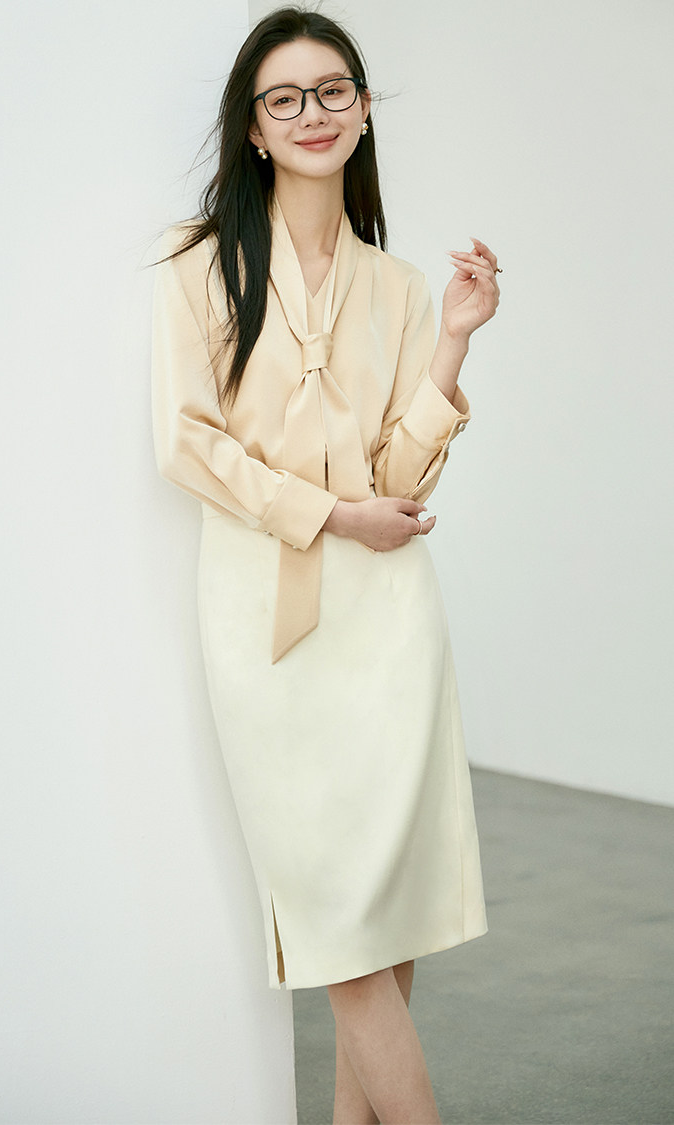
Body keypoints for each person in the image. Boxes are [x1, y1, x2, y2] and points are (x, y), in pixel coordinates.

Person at [152, 7, 500, 1122]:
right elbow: (187, 444)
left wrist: (453, 340)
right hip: (266, 621)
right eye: (285, 97)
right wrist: (330, 516)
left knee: (385, 918)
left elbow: (400, 473)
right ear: (253, 127)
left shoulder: (398, 286)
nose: (313, 112)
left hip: (388, 619)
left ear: (363, 111)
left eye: (333, 90)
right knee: (335, 921)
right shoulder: (199, 268)